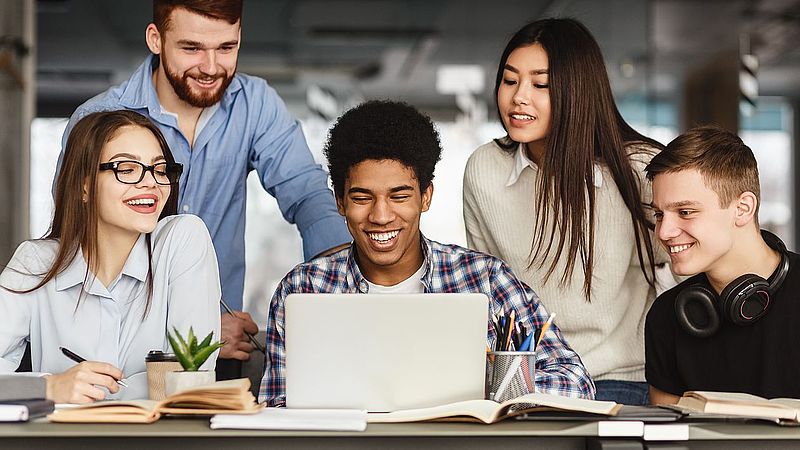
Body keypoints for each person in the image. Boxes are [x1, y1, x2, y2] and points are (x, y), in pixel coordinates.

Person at [54, 0, 351, 364]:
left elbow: (307, 194)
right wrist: (198, 332)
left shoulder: (254, 104)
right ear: (155, 39)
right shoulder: (99, 119)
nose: (211, 68)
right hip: (114, 353)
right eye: (192, 48)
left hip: (223, 351)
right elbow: (75, 249)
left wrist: (344, 293)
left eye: (226, 48)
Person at [260, 100, 594, 406]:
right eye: (362, 198)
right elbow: (276, 406)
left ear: (425, 197)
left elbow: (576, 382)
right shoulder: (303, 289)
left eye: (399, 196)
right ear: (340, 202)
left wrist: (493, 386)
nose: (380, 216)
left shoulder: (485, 279)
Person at [462, 18, 668, 405]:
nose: (519, 97)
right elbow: (488, 292)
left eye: (541, 85)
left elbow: (682, 265)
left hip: (616, 379)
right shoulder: (484, 169)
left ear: (577, 91)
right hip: (526, 382)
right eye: (510, 81)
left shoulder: (638, 167)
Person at [1, 110, 221, 403]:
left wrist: (89, 391)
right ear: (84, 185)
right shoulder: (36, 262)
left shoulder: (182, 238)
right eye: (126, 169)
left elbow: (191, 375)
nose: (151, 183)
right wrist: (50, 387)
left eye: (159, 169)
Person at [645, 126, 800, 404]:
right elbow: (664, 435)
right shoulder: (665, 316)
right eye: (659, 214)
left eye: (685, 212)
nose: (664, 232)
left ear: (742, 209)